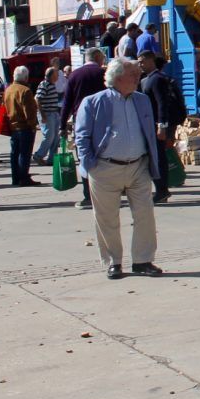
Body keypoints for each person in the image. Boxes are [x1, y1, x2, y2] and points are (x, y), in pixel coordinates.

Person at [74, 57, 163, 280]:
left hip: (138, 166)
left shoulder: (142, 100)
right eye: (133, 73)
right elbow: (82, 136)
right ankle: (113, 262)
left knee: (145, 214)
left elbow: (149, 132)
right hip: (105, 168)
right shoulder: (93, 102)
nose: (138, 77)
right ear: (118, 77)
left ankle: (143, 260)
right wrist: (90, 165)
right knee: (107, 218)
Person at [138, 52, 187, 204]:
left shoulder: (157, 79)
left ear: (151, 60)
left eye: (142, 61)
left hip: (156, 125)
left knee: (158, 157)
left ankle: (162, 190)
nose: (140, 64)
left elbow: (162, 104)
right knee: (155, 156)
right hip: (150, 124)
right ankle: (160, 189)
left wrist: (162, 125)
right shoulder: (146, 79)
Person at [63, 48, 108, 209]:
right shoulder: (103, 74)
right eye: (102, 57)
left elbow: (67, 102)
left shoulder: (75, 75)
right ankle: (105, 193)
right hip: (103, 122)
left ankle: (87, 195)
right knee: (105, 156)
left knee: (84, 156)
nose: (103, 60)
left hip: (80, 122)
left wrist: (62, 126)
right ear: (96, 57)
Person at [3, 65, 42, 186]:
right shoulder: (25, 91)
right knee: (24, 154)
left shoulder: (8, 90)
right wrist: (33, 125)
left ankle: (15, 178)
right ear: (25, 77)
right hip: (25, 127)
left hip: (13, 126)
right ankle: (24, 177)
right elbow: (29, 111)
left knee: (14, 154)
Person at [34, 66, 64, 166]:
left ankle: (52, 158)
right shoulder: (44, 84)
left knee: (56, 137)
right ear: (52, 75)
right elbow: (38, 99)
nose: (58, 77)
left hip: (54, 113)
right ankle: (39, 155)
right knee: (49, 136)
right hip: (47, 113)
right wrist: (42, 115)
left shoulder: (52, 85)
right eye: (57, 74)